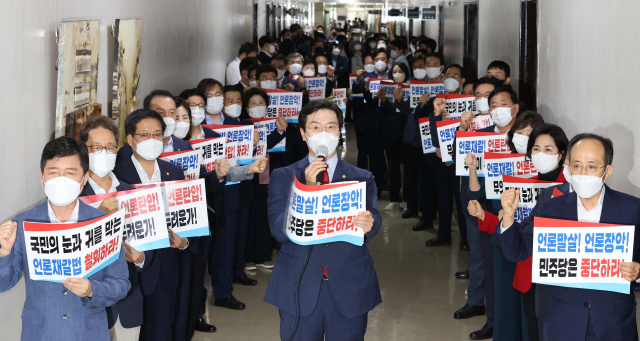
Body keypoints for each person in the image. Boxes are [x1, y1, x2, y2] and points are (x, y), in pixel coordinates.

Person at [499, 133, 640, 341]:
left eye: (592, 166)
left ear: (607, 171)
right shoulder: (551, 207)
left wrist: (638, 272)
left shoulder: (632, 208)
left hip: (614, 320)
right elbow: (517, 251)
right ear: (568, 167)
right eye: (576, 165)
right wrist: (508, 218)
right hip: (564, 319)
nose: (583, 173)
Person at [265, 100, 382, 340]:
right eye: (315, 127)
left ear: (339, 133)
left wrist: (370, 224)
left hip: (348, 284)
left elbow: (374, 217)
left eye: (331, 127)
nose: (323, 133)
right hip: (299, 283)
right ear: (303, 134)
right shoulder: (283, 176)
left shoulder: (361, 177)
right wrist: (306, 190)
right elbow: (278, 230)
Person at [0, 136, 130, 341]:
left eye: (70, 173)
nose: (62, 180)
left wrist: (91, 289)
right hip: (40, 333)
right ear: (42, 177)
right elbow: (3, 283)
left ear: (84, 178)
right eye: (53, 172)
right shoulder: (24, 223)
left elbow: (121, 284)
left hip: (88, 332)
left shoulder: (103, 223)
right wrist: (4, 253)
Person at [468, 123, 569, 341]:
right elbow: (518, 227)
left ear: (562, 155)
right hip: (526, 269)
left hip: (558, 275)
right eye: (536, 149)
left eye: (548, 149)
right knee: (530, 329)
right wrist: (485, 216)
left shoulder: (570, 188)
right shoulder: (521, 185)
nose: (541, 154)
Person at [462, 108, 545, 341]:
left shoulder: (551, 180)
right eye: (521, 132)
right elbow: (494, 213)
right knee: (505, 303)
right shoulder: (501, 166)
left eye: (532, 134)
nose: (525, 138)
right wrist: (483, 215)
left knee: (532, 315)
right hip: (504, 242)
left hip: (533, 251)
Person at [112, 109, 190, 341]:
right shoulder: (116, 174)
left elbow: (186, 218)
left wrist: (184, 242)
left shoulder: (174, 172)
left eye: (157, 135)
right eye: (145, 135)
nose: (152, 140)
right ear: (130, 139)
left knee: (161, 330)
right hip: (129, 270)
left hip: (165, 268)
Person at [77, 117, 141, 341]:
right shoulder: (71, 196)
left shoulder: (131, 192)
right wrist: (99, 214)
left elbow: (147, 240)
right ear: (83, 150)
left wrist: (141, 257)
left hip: (127, 303)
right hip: (86, 304)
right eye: (96, 148)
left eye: (110, 147)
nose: (103, 153)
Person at [241, 88, 286, 271]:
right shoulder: (241, 125)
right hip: (247, 177)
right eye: (253, 103)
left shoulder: (272, 123)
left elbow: (269, 146)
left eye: (261, 103)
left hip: (266, 176)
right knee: (249, 218)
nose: (258, 106)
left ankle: (263, 255)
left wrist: (279, 131)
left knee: (264, 215)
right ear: (246, 107)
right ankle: (248, 257)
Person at [379, 63, 419, 219]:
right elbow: (388, 111)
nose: (397, 74)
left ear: (406, 73)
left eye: (400, 71)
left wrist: (400, 100)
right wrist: (383, 100)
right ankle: (395, 198)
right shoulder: (387, 87)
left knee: (409, 170)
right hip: (391, 133)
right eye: (394, 71)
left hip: (408, 134)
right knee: (393, 168)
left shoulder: (411, 88)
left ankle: (409, 202)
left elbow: (407, 110)